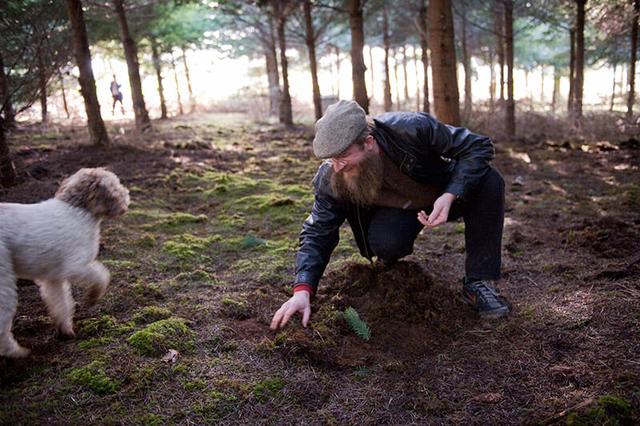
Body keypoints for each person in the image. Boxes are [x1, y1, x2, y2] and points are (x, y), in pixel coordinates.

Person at [270, 100, 509, 330]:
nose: (338, 167)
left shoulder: (412, 129)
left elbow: (478, 146)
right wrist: (303, 290)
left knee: (488, 181)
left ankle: (478, 281)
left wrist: (451, 194)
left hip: (442, 195)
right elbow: (318, 230)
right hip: (400, 211)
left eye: (344, 158)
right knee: (386, 243)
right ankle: (389, 255)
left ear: (369, 142)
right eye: (331, 159)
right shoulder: (332, 176)